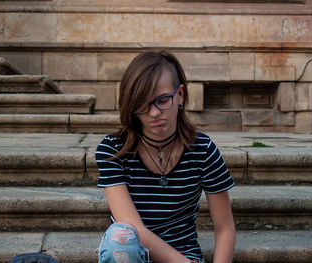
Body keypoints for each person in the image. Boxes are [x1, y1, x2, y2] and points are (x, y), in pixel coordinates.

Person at [95, 50, 236, 263]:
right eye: (142, 104)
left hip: (185, 254)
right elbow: (136, 230)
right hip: (134, 257)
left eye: (162, 100)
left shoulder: (203, 150)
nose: (153, 113)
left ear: (180, 95)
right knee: (120, 237)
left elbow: (225, 228)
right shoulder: (113, 150)